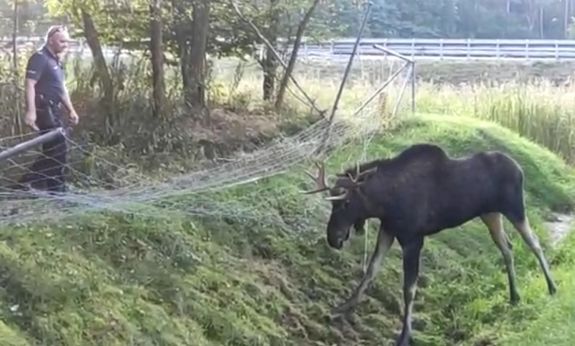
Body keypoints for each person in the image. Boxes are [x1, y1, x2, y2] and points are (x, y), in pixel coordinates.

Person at [16, 25, 79, 193]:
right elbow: (30, 84)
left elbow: (61, 89)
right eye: (62, 41)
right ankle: (32, 185)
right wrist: (31, 112)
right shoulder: (40, 58)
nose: (65, 44)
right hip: (44, 110)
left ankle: (53, 188)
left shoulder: (56, 61)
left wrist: (71, 110)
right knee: (57, 148)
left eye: (67, 41)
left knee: (56, 151)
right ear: (51, 40)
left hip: (55, 109)